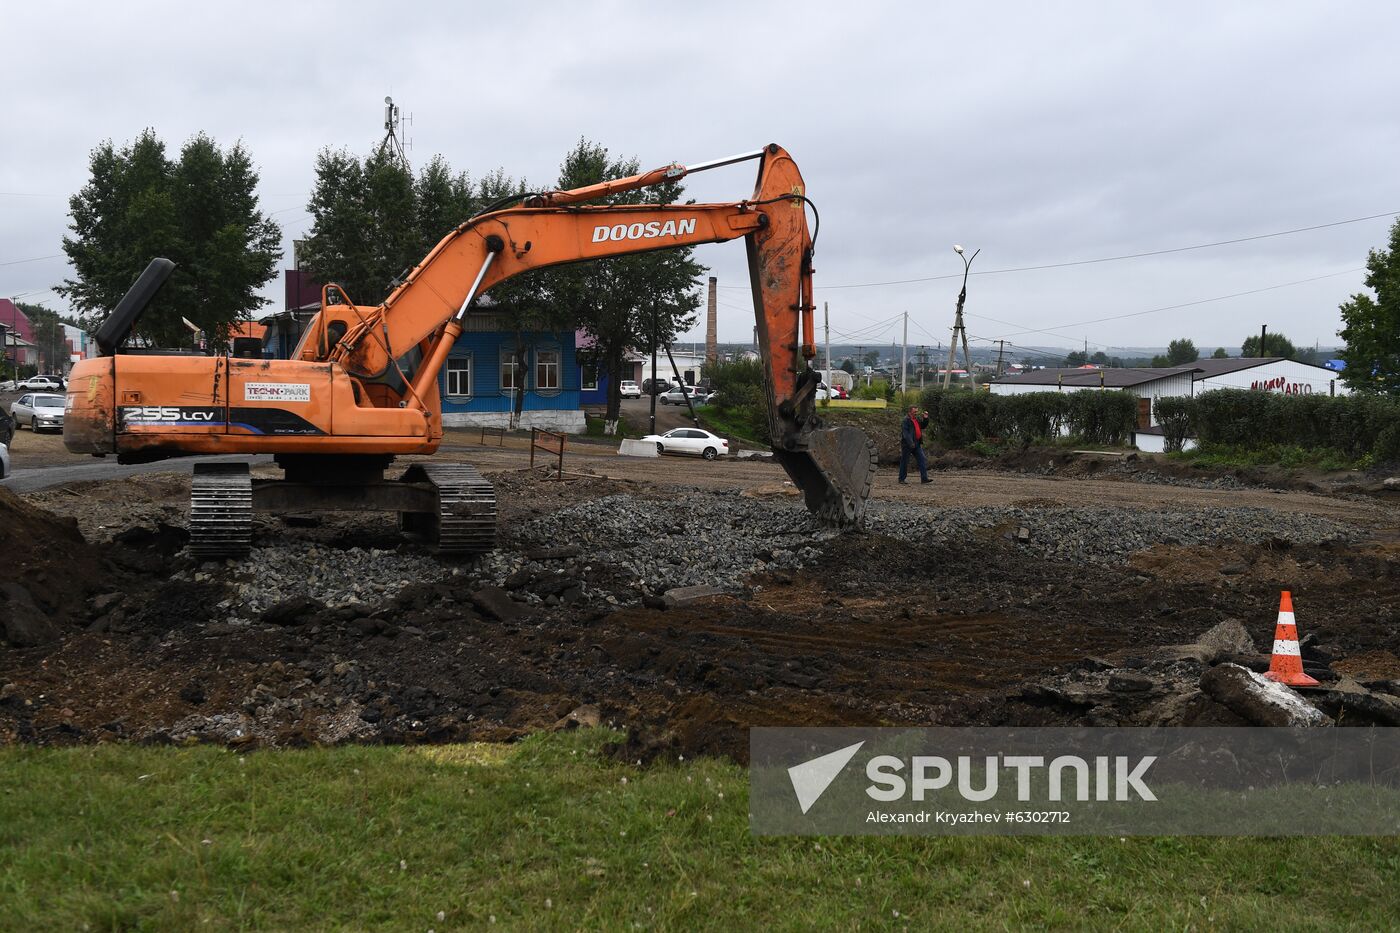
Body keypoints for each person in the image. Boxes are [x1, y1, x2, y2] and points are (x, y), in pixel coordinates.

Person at [899, 405, 931, 484]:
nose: (916, 413)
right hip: (907, 444)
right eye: (915, 411)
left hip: (917, 443)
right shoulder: (906, 420)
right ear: (910, 411)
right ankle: (901, 479)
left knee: (922, 459)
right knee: (905, 461)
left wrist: (926, 418)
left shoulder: (916, 419)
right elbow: (905, 433)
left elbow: (923, 426)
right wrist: (910, 442)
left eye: (917, 411)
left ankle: (924, 478)